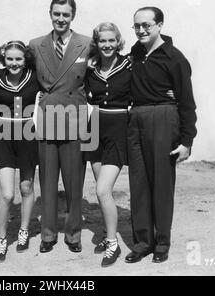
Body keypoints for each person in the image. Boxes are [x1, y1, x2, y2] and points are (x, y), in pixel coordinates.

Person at [125, 7, 197, 264]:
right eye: (137, 26)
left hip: (164, 119)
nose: (141, 30)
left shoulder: (175, 59)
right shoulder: (134, 54)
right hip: (136, 119)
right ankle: (143, 242)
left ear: (160, 25)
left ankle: (162, 243)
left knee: (162, 185)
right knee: (139, 184)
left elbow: (187, 103)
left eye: (147, 25)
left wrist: (187, 141)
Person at [28, 0, 91, 253]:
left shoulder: (87, 44)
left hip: (75, 116)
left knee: (74, 179)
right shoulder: (35, 44)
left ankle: (74, 234)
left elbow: (100, 75)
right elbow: (21, 74)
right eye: (57, 13)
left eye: (66, 14)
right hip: (46, 116)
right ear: (50, 14)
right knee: (48, 178)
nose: (61, 19)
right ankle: (48, 233)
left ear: (73, 16)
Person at [83, 22, 131, 267]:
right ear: (97, 43)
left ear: (118, 41)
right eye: (103, 41)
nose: (107, 45)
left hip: (118, 129)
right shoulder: (90, 69)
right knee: (102, 191)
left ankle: (113, 244)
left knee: (102, 190)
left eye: (112, 40)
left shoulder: (129, 64)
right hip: (95, 129)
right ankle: (107, 232)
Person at [0, 40, 39, 262]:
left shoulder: (35, 77)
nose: (14, 63)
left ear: (25, 59)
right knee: (7, 194)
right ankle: (1, 239)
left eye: (18, 58)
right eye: (9, 58)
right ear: (3, 59)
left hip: (28, 134)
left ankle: (24, 231)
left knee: (26, 187)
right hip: (5, 136)